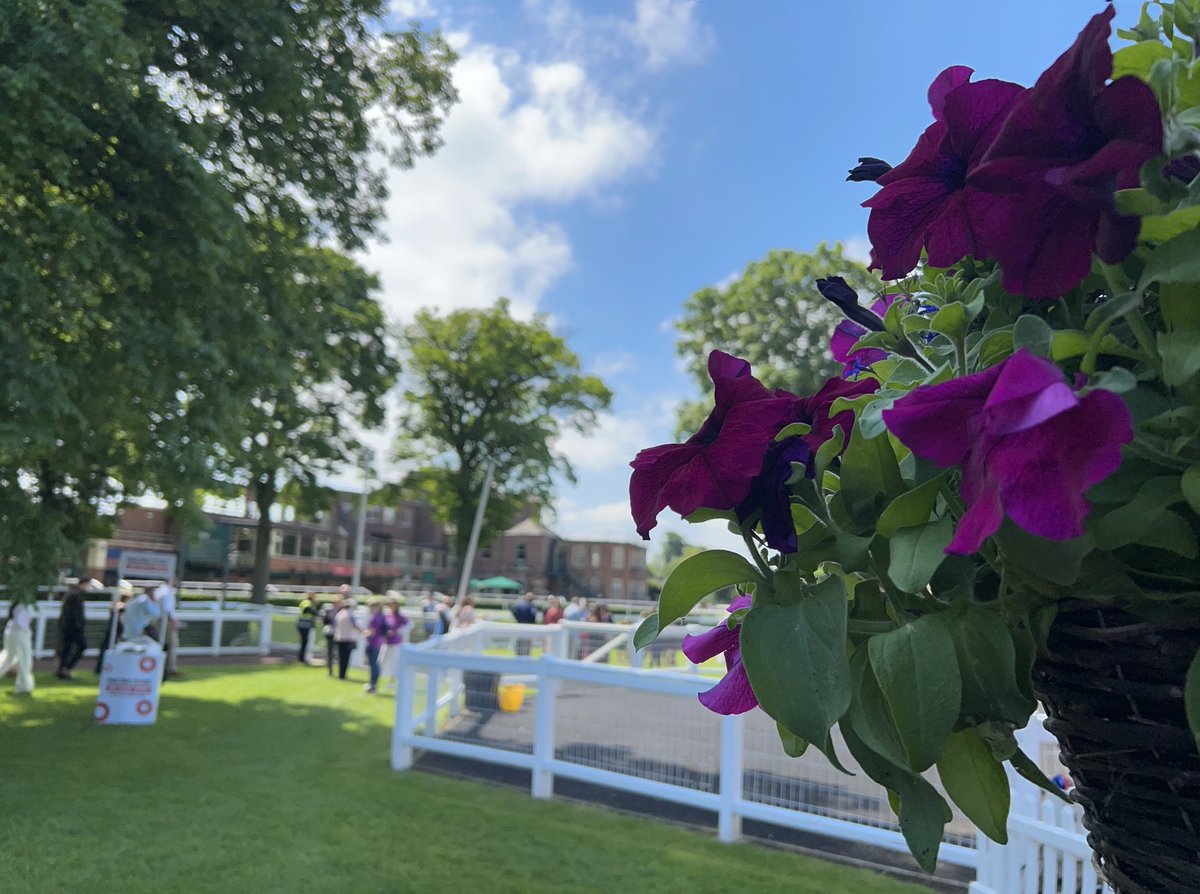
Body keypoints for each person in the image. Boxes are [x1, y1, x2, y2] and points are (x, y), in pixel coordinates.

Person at [56, 580, 90, 679]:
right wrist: (79, 625)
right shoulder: (76, 595)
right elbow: (75, 613)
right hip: (73, 627)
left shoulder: (72, 594)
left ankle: (62, 669)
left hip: (67, 626)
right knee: (81, 646)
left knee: (66, 648)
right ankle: (66, 668)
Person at [0, 601, 35, 694]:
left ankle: (24, 685)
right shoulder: (24, 606)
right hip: (20, 635)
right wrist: (27, 629)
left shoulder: (16, 605)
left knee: (8, 658)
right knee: (24, 661)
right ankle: (24, 686)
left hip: (10, 632)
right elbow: (21, 623)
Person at [379, 598, 410, 691]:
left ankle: (392, 682)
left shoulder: (400, 616)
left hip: (395, 643)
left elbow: (409, 625)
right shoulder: (388, 615)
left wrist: (397, 632)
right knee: (381, 661)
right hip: (386, 642)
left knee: (394, 663)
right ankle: (377, 679)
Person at [95, 584, 126, 674]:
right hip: (116, 631)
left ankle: (99, 668)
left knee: (105, 650)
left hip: (111, 631)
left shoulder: (114, 606)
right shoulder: (121, 607)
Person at [154, 577, 180, 678]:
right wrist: (174, 622)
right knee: (171, 644)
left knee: (161, 644)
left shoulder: (159, 590)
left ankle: (163, 668)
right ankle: (170, 669)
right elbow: (168, 609)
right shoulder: (168, 591)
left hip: (157, 620)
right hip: (165, 621)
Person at [333, 596, 360, 680]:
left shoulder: (340, 613)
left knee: (341, 657)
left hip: (339, 638)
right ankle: (343, 675)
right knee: (346, 658)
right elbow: (356, 625)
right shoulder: (350, 614)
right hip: (348, 638)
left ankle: (340, 674)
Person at [323, 590, 344, 676]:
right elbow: (325, 621)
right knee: (330, 652)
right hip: (330, 632)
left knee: (339, 653)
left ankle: (339, 671)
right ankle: (330, 671)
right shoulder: (329, 610)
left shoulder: (342, 611)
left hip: (339, 634)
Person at [296, 591, 320, 664]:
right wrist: (317, 613)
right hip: (303, 625)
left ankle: (302, 658)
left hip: (305, 625)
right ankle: (301, 659)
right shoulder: (306, 602)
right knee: (304, 642)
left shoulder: (310, 603)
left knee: (304, 642)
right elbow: (307, 609)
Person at [511, 591, 537, 655]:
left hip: (520, 626)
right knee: (526, 646)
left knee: (519, 644)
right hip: (528, 628)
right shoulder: (532, 606)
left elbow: (513, 609)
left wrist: (518, 619)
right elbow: (533, 616)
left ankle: (518, 655)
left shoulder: (519, 605)